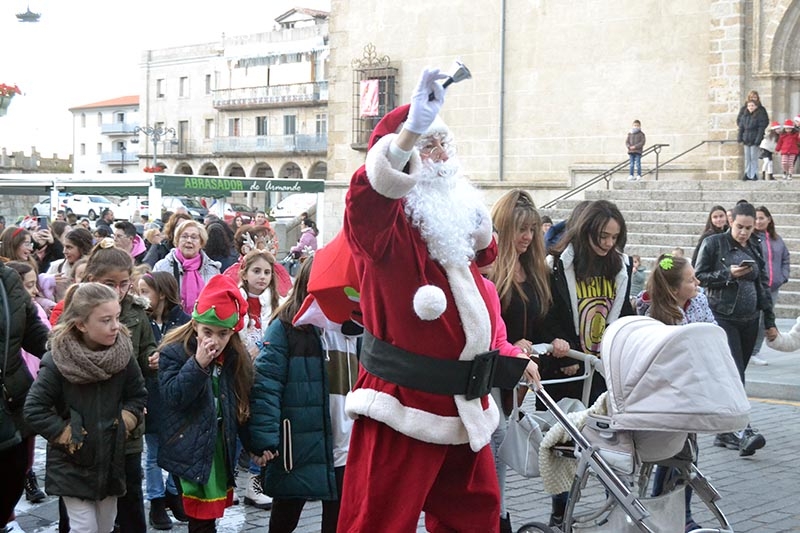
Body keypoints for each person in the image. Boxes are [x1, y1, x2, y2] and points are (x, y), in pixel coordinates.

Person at [338, 68, 538, 532]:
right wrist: (407, 136)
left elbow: (484, 272)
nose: (440, 155)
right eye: (429, 147)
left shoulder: (453, 229)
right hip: (402, 407)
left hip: (465, 407)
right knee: (378, 522)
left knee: (475, 520)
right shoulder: (386, 232)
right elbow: (366, 202)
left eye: (442, 143)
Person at [540, 199, 635, 527]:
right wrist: (559, 350)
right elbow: (545, 310)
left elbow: (623, 313)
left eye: (614, 237)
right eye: (602, 237)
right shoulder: (555, 264)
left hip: (601, 366)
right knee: (564, 444)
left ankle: (615, 506)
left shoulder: (621, 266)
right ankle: (560, 512)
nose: (608, 244)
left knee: (607, 437)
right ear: (585, 232)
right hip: (564, 365)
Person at [23, 282, 147, 533]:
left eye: (117, 317)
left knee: (105, 525)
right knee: (85, 528)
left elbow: (138, 395)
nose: (115, 326)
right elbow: (34, 408)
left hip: (111, 459)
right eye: (105, 320)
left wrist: (126, 420)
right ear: (81, 324)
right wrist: (65, 432)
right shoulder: (58, 359)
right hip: (72, 462)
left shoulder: (122, 355)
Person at [158, 275, 263, 533]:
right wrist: (197, 364)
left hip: (219, 446)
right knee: (200, 518)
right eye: (207, 331)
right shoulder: (174, 351)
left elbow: (243, 407)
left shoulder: (235, 358)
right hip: (189, 445)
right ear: (195, 325)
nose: (214, 340)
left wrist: (257, 445)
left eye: (223, 334)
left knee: (208, 518)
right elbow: (173, 397)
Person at [248, 257, 346, 533]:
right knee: (286, 515)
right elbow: (266, 384)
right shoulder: (287, 326)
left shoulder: (354, 325)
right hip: (298, 442)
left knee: (338, 521)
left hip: (345, 443)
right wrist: (264, 439)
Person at [488, 189, 566, 533]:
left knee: (501, 450)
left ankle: (499, 515)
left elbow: (542, 317)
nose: (527, 237)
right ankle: (496, 518)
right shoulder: (489, 271)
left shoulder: (534, 269)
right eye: (520, 229)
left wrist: (555, 340)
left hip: (516, 379)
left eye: (532, 229)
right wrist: (509, 342)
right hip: (491, 374)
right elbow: (486, 323)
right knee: (495, 448)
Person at [76, 239, 158, 533]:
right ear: (91, 280)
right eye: (110, 283)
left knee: (129, 490)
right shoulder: (79, 312)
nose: (118, 290)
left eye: (124, 283)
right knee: (82, 496)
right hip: (86, 418)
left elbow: (146, 349)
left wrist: (152, 360)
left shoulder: (136, 312)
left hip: (126, 418)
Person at [635, 253, 714, 532]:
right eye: (691, 280)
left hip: (693, 389)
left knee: (687, 454)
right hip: (666, 395)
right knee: (672, 453)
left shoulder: (700, 301)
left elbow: (711, 332)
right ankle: (667, 510)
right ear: (673, 289)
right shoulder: (652, 313)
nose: (697, 283)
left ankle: (680, 513)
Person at [694, 201, 776, 456]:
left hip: (751, 319)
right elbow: (698, 277)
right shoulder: (714, 243)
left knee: (738, 372)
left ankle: (726, 431)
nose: (743, 232)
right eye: (740, 226)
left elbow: (762, 284)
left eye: (749, 228)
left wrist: (770, 322)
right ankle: (742, 429)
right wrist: (728, 274)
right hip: (722, 317)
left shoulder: (755, 245)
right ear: (731, 221)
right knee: (734, 372)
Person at [137, 272, 191, 529]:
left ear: (161, 292)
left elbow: (190, 353)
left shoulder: (182, 320)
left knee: (178, 450)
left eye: (145, 291)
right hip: (150, 394)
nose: (141, 297)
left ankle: (173, 492)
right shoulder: (140, 320)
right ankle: (156, 501)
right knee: (153, 454)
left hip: (176, 394)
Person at [0, 259, 49, 533]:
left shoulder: (7, 279)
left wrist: (67, 351)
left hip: (11, 399)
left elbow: (33, 330)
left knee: (12, 476)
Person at [236, 249, 281, 511]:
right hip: (239, 373)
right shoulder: (235, 300)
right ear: (244, 273)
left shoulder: (276, 302)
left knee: (260, 426)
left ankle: (256, 484)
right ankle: (230, 482)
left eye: (266, 272)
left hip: (265, 376)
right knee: (238, 425)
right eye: (256, 271)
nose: (262, 277)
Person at [750, 205, 790, 365]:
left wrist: (783, 277)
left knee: (764, 319)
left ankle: (755, 351)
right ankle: (748, 350)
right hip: (756, 286)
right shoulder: (751, 239)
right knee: (753, 319)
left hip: (773, 287)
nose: (758, 221)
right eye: (756, 218)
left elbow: (785, 258)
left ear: (769, 219)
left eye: (761, 218)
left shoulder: (776, 239)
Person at [153, 220, 221, 314]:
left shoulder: (213, 269)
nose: (189, 241)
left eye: (194, 237)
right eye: (184, 236)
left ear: (201, 242)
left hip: (203, 324)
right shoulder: (162, 267)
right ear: (177, 241)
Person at [47, 227, 94, 302]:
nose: (64, 251)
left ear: (82, 248)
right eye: (64, 246)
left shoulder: (95, 269)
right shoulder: (56, 267)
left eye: (69, 247)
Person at [737, 90, 770, 181]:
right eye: (751, 98)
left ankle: (754, 174)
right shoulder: (744, 112)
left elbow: (763, 124)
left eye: (755, 97)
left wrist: (758, 138)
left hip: (755, 136)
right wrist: (740, 136)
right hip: (746, 137)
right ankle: (747, 174)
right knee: (747, 157)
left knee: (753, 156)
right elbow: (740, 123)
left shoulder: (761, 110)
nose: (753, 100)